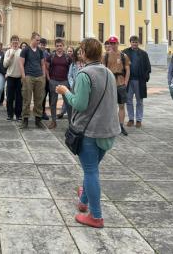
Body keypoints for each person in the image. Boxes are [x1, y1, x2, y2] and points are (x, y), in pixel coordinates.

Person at [56, 38, 121, 228]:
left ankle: (96, 216)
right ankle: (83, 202)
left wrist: (65, 91)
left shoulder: (85, 74)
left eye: (80, 50)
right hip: (108, 130)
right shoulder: (108, 72)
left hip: (90, 131)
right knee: (91, 169)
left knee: (91, 172)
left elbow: (80, 104)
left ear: (83, 53)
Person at [103, 36, 130, 136]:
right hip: (109, 84)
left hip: (120, 83)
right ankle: (111, 126)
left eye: (114, 43)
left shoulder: (123, 56)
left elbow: (127, 69)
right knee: (110, 106)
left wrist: (126, 81)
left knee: (122, 105)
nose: (112, 45)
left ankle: (121, 126)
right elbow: (103, 70)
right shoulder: (105, 56)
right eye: (111, 43)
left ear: (117, 43)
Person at [19, 32, 46, 129]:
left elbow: (43, 64)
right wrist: (23, 76)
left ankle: (38, 120)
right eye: (37, 40)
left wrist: (43, 76)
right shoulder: (25, 50)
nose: (39, 42)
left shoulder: (40, 51)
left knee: (39, 99)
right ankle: (25, 120)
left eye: (39, 40)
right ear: (32, 39)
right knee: (27, 99)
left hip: (39, 77)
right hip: (29, 77)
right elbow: (21, 63)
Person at [123, 35, 151, 127]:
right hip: (129, 80)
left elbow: (148, 67)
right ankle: (131, 119)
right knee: (129, 100)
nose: (134, 43)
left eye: (136, 42)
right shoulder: (125, 52)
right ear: (130, 42)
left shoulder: (143, 54)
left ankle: (139, 120)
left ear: (138, 43)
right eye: (133, 42)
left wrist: (146, 77)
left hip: (139, 81)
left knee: (139, 101)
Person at [47, 38, 71, 128]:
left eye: (60, 46)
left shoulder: (68, 57)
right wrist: (49, 78)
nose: (59, 47)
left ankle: (70, 122)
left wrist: (69, 81)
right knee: (53, 102)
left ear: (63, 46)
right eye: (57, 46)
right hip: (53, 81)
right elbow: (46, 67)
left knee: (68, 102)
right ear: (55, 46)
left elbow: (71, 69)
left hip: (64, 81)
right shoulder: (51, 56)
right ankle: (53, 121)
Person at [3, 35, 22, 121]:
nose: (15, 42)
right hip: (10, 77)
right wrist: (10, 57)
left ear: (19, 42)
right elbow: (5, 65)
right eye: (13, 41)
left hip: (19, 77)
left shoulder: (22, 52)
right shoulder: (8, 52)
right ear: (11, 42)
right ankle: (10, 114)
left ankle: (18, 115)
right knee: (10, 97)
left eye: (16, 41)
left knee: (19, 97)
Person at [39, 38, 51, 120]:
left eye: (44, 45)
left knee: (43, 95)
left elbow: (47, 66)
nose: (42, 46)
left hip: (45, 77)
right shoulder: (36, 52)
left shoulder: (47, 54)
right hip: (37, 76)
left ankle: (42, 112)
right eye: (41, 44)